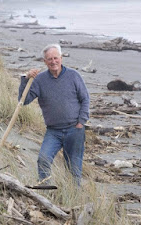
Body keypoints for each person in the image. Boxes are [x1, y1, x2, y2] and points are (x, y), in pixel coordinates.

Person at [18, 44, 90, 185]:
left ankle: (74, 197)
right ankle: (45, 190)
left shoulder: (74, 76)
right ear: (45, 62)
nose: (53, 62)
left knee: (74, 168)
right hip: (53, 131)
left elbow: (85, 99)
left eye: (56, 58)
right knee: (43, 159)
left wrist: (81, 121)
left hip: (74, 129)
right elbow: (24, 100)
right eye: (49, 59)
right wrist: (25, 79)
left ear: (61, 58)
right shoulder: (40, 80)